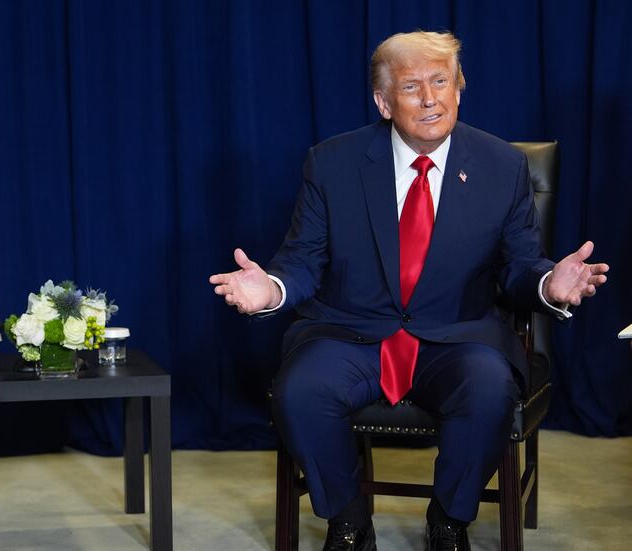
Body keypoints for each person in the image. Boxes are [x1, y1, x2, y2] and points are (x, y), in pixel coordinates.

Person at [209, 31, 608, 551]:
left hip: (458, 337)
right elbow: (302, 261)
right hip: (351, 333)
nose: (430, 99)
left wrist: (548, 284)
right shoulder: (331, 163)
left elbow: (519, 266)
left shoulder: (501, 166)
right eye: (412, 86)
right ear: (383, 102)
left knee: (489, 391)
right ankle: (349, 521)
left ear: (458, 89)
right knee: (300, 391)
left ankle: (448, 521)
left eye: (441, 82)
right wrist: (273, 290)